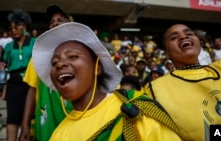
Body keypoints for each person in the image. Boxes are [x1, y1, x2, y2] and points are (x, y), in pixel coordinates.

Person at [32, 22, 184, 141]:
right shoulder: (58, 135)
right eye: (54, 63)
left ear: (97, 68)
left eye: (72, 56)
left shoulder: (135, 108)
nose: (60, 64)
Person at [145, 24, 221, 141]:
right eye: (174, 37)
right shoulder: (155, 89)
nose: (183, 37)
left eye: (189, 34)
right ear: (166, 53)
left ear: (199, 42)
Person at [19, 4, 73, 141]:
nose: (54, 23)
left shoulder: (80, 55)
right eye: (51, 22)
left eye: (60, 20)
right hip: (46, 125)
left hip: (74, 120)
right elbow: (32, 90)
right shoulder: (38, 57)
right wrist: (25, 124)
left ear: (71, 25)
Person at [0, 8, 35, 141]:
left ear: (24, 26)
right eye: (11, 27)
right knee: (12, 117)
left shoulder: (34, 43)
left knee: (29, 116)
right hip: (14, 83)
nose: (13, 30)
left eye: (16, 26)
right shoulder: (8, 46)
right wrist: (1, 65)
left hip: (30, 83)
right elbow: (4, 63)